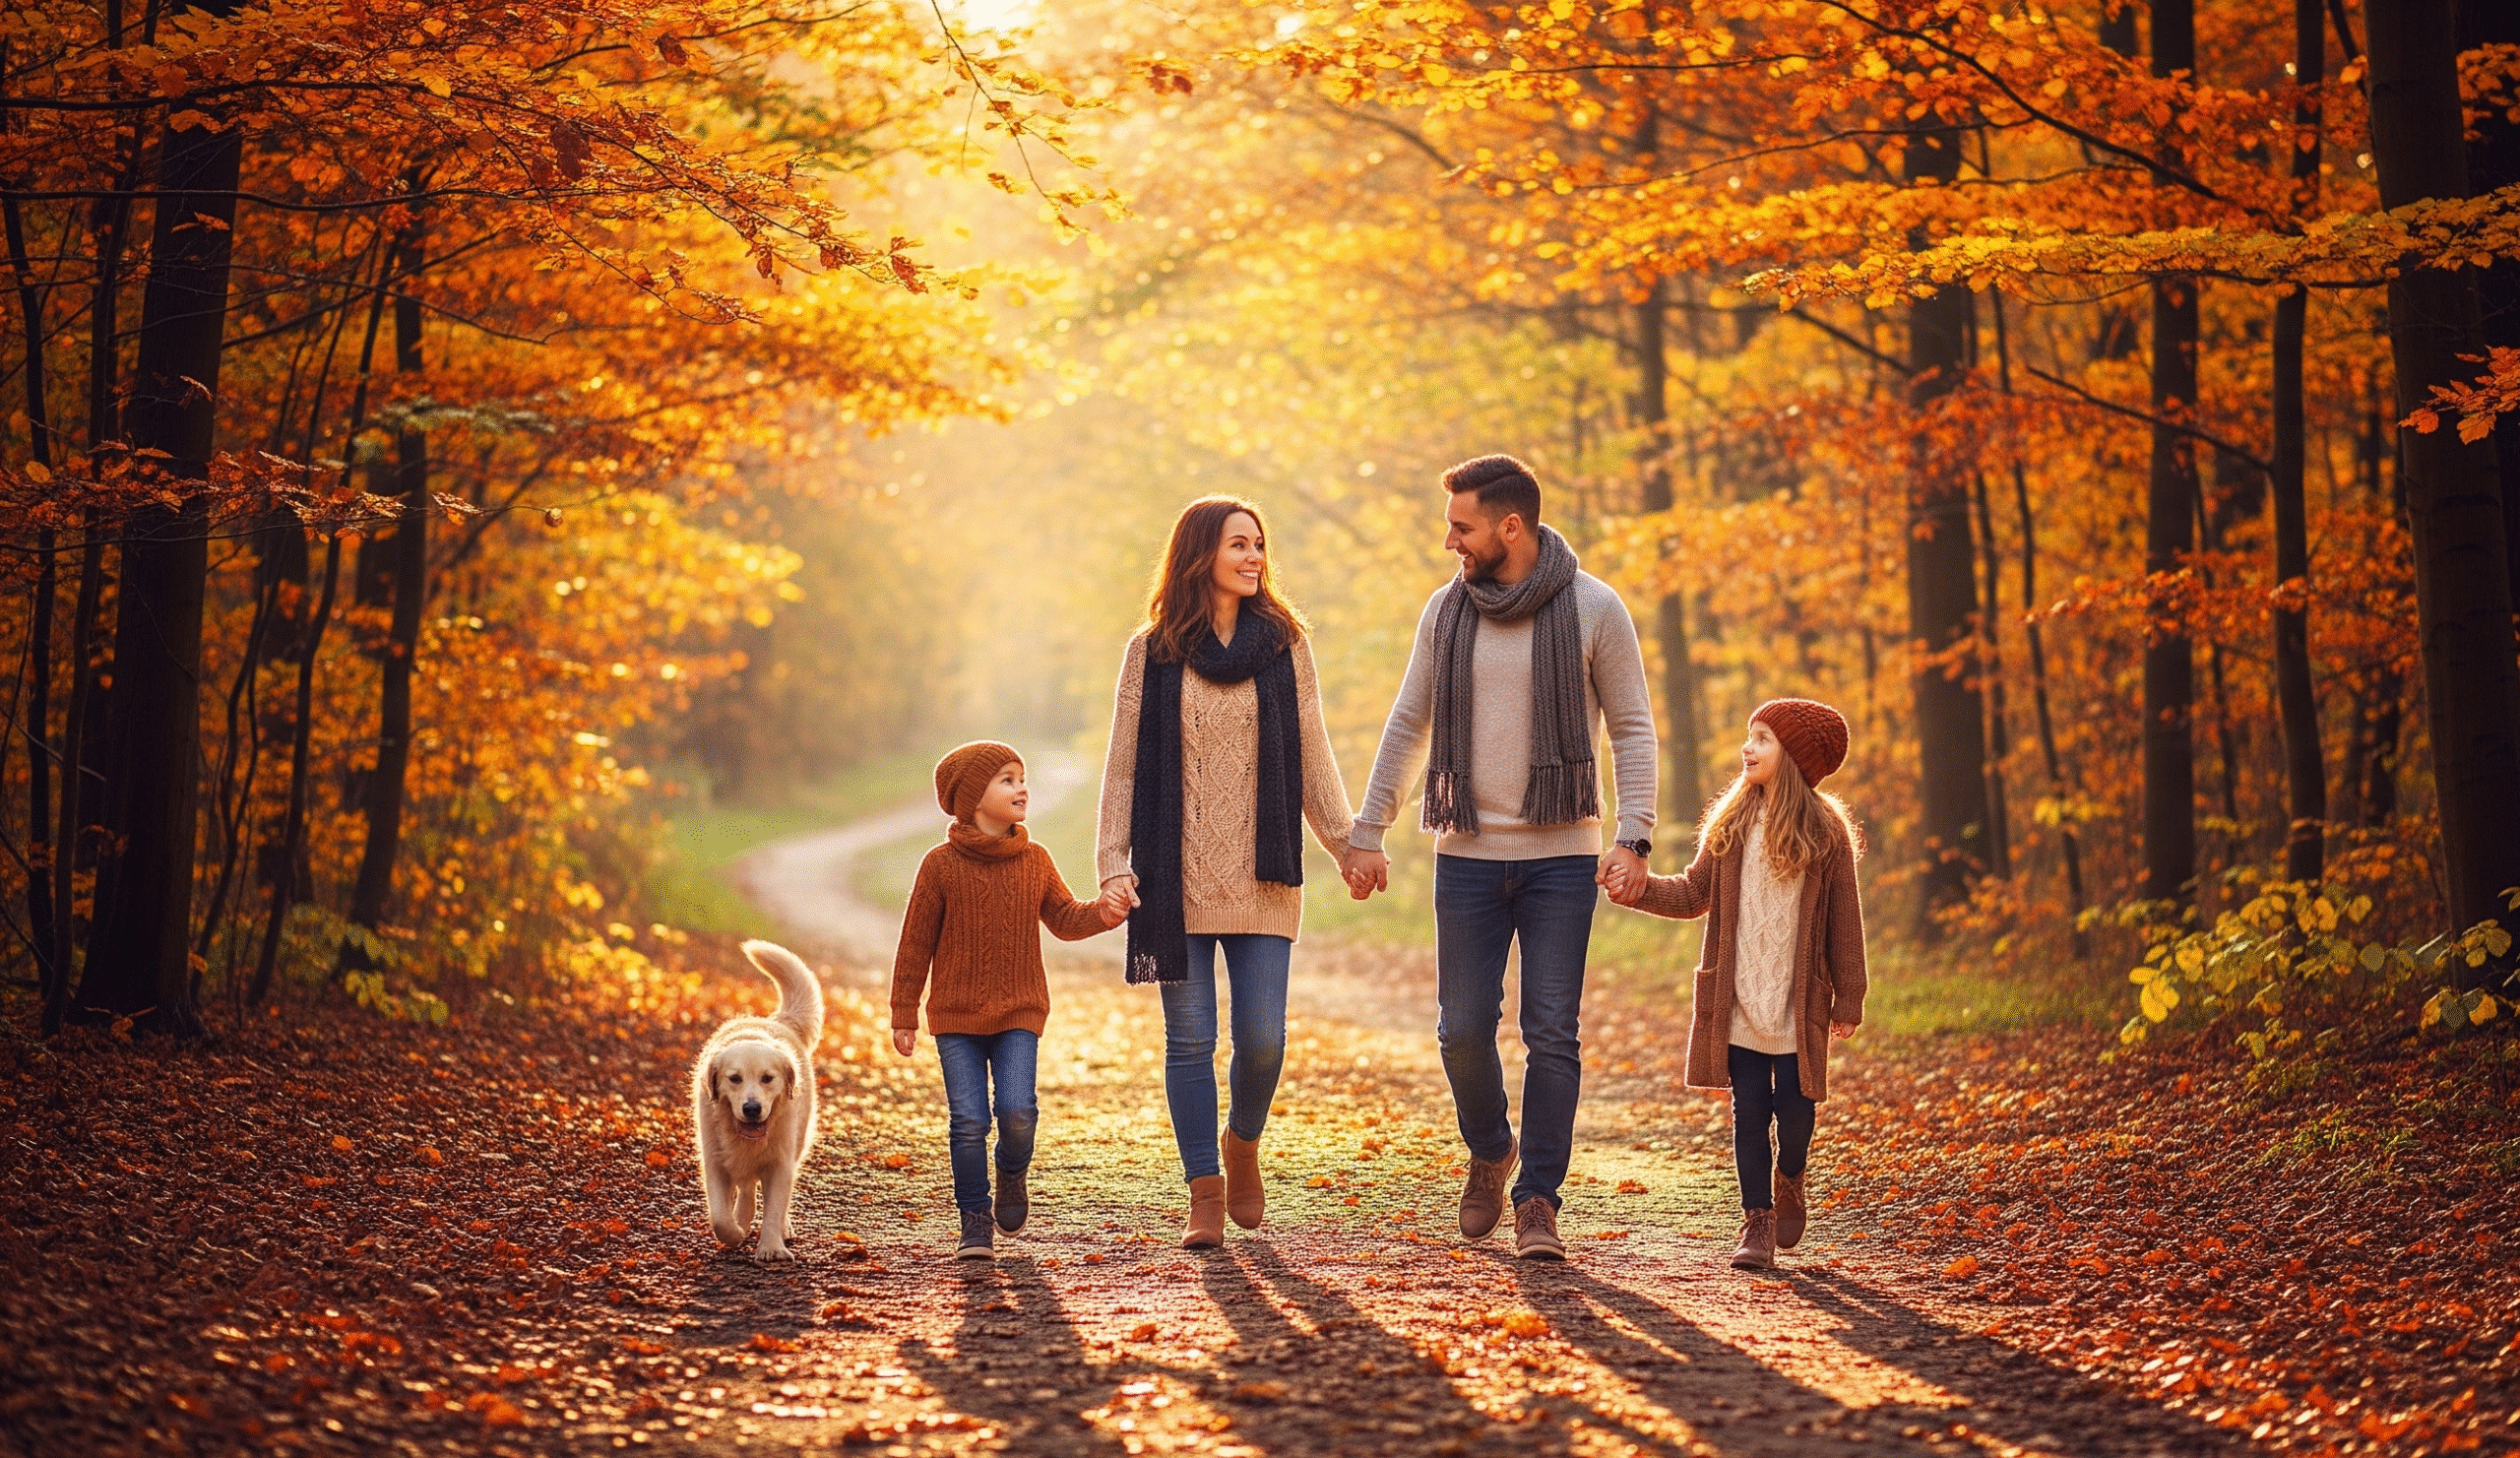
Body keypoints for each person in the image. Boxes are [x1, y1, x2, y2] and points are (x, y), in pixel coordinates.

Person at [1344, 454, 1658, 1260]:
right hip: (1469, 855)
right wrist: (1368, 826)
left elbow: (1630, 726)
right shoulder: (1446, 614)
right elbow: (1409, 720)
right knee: (1462, 1029)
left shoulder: (1595, 608)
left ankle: (1538, 1200)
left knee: (1552, 1031)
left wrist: (1634, 836)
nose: (1449, 540)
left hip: (1562, 857)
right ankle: (1491, 1147)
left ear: (1508, 527)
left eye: (1461, 525)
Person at [1096, 495, 1357, 1249]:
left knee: (1263, 1039)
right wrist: (1114, 864)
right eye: (1239, 544)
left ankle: (1242, 1141)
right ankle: (1203, 1189)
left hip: (1263, 877)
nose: (1254, 557)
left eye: (1259, 545)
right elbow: (1121, 769)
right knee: (1189, 1040)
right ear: (1200, 553)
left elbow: (1312, 751)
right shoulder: (1150, 652)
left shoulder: (1286, 645)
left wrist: (1345, 843)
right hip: (1172, 881)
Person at [1611, 699, 1867, 1271]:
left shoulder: (1826, 834)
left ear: (1796, 758)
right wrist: (1642, 888)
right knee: (1749, 1113)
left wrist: (1849, 997)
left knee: (1796, 1117)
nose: (1747, 749)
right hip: (1740, 1003)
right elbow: (1693, 893)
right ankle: (1756, 1222)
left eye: (1763, 739)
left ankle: (1791, 1176)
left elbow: (1845, 925)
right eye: (1750, 736)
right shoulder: (1731, 825)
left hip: (1797, 1006)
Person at [891, 741, 1124, 1261]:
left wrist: (1103, 914)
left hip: (1019, 1011)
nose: (1022, 788)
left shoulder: (1035, 860)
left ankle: (1012, 1172)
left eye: (1022, 777)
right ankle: (974, 1220)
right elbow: (915, 944)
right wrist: (904, 1012)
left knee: (1018, 1113)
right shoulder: (940, 866)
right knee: (968, 1120)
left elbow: (1064, 917)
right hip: (956, 1017)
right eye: (1007, 780)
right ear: (974, 798)